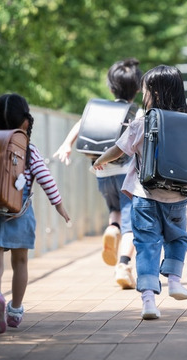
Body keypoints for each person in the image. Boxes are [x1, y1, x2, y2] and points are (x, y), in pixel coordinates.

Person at [93, 65, 187, 320]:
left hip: (145, 196)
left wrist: (100, 160)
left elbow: (119, 149)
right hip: (178, 197)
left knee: (147, 245)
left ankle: (148, 300)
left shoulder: (143, 122)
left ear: (153, 94)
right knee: (178, 239)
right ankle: (174, 280)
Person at [0, 93, 71, 334]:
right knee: (20, 264)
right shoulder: (28, 150)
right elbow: (45, 177)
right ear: (26, 123)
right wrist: (58, 205)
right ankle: (15, 310)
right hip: (21, 214)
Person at [53, 58, 143, 289]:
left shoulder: (100, 109)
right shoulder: (137, 113)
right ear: (138, 88)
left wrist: (66, 145)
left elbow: (81, 123)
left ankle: (112, 230)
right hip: (127, 175)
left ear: (111, 87)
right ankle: (123, 265)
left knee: (115, 211)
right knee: (133, 224)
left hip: (102, 174)